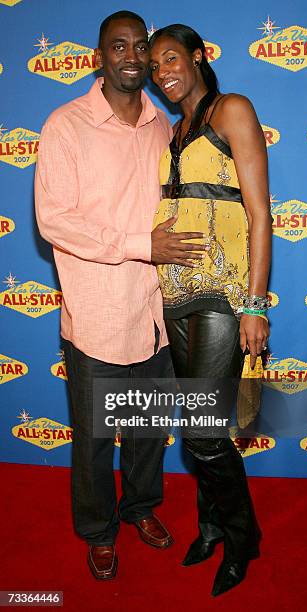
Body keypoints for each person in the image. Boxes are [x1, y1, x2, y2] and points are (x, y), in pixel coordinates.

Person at [35, 11, 208, 581]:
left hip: (154, 313)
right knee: (92, 442)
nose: (133, 57)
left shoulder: (164, 127)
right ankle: (97, 530)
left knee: (146, 432)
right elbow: (55, 221)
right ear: (99, 56)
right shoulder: (66, 125)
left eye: (141, 47)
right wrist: (141, 244)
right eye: (120, 46)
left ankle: (140, 509)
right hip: (97, 315)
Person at [149, 24, 272, 597]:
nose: (162, 71)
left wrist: (254, 303)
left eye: (171, 58)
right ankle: (210, 527)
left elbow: (259, 213)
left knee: (200, 432)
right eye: (155, 66)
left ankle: (243, 539)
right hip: (175, 296)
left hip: (223, 294)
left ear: (198, 57)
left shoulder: (232, 110)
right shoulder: (174, 131)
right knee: (204, 425)